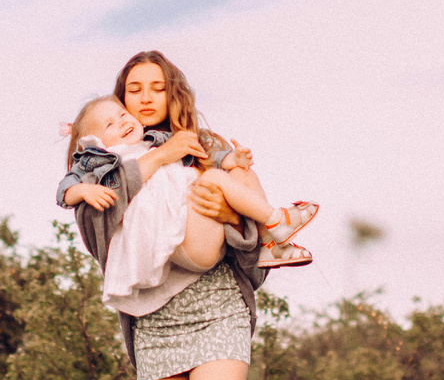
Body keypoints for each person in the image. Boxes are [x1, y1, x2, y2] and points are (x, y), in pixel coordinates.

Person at [63, 50, 295, 380]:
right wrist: (157, 159)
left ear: (173, 94)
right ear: (119, 100)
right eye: (134, 90)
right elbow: (96, 232)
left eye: (157, 88)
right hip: (154, 321)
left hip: (215, 308)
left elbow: (243, 242)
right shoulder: (101, 164)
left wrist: (234, 219)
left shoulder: (199, 150)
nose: (145, 99)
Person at [58, 95, 316, 286]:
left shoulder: (154, 142)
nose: (123, 122)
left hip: (193, 226)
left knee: (242, 173)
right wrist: (82, 191)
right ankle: (277, 220)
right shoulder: (101, 161)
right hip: (175, 240)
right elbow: (65, 189)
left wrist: (233, 160)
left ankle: (270, 243)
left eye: (123, 114)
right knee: (213, 177)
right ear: (96, 142)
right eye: (110, 125)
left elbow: (202, 156)